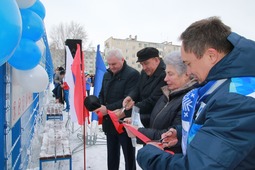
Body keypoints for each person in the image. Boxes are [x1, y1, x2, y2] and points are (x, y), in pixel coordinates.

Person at [137, 16, 255, 170]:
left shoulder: (237, 98)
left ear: (211, 56)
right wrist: (181, 134)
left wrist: (149, 155)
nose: (189, 72)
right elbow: (214, 125)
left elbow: (199, 166)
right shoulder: (223, 84)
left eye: (189, 63)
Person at [125, 51, 196, 153]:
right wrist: (137, 119)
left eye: (170, 74)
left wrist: (138, 132)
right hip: (155, 152)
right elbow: (157, 117)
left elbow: (169, 135)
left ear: (186, 74)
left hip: (168, 156)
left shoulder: (189, 100)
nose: (165, 79)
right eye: (166, 73)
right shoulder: (168, 92)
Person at [95, 49, 140, 170]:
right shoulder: (106, 74)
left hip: (124, 122)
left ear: (122, 60)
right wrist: (99, 105)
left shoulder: (133, 75)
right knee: (112, 155)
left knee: (129, 156)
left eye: (114, 64)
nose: (111, 67)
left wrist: (107, 109)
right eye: (109, 64)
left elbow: (127, 99)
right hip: (109, 121)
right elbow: (102, 93)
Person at [123, 47, 166, 128]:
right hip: (141, 118)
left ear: (156, 60)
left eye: (146, 63)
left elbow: (153, 100)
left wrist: (131, 109)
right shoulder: (144, 72)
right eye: (141, 64)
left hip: (153, 120)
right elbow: (138, 88)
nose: (144, 67)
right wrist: (130, 97)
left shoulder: (164, 75)